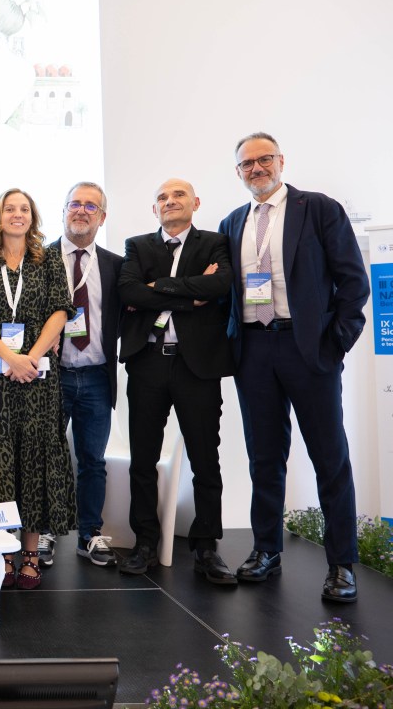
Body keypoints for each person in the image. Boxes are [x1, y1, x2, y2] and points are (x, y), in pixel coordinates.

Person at [219, 132, 369, 603]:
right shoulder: (232, 222)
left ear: (281, 161)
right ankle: (266, 550)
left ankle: (341, 564)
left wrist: (334, 344)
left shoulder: (318, 209)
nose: (257, 168)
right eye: (247, 164)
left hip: (309, 350)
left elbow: (353, 282)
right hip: (254, 351)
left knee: (330, 458)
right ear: (238, 172)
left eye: (264, 159)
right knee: (264, 457)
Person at [117, 178, 236, 585]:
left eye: (178, 195)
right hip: (148, 362)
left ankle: (206, 548)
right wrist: (191, 295)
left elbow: (219, 285)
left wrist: (158, 288)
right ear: (155, 210)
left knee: (205, 459)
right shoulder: (138, 246)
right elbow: (129, 291)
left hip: (196, 366)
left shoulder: (215, 243)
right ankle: (145, 543)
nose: (170, 201)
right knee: (143, 459)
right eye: (162, 198)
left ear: (195, 203)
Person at [0, 188, 76, 591]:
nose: (17, 214)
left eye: (24, 209)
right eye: (10, 208)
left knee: (34, 459)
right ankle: (2, 552)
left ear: (32, 217)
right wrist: (11, 357)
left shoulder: (48, 260)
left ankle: (30, 554)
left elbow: (60, 310)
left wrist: (31, 358)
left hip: (38, 377)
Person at [41, 182, 123, 568]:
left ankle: (90, 533)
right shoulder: (39, 259)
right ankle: (42, 530)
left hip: (95, 377)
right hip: (50, 376)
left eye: (91, 206)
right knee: (45, 456)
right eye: (75, 203)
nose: (81, 211)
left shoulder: (115, 264)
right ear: (63, 211)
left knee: (93, 460)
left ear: (102, 217)